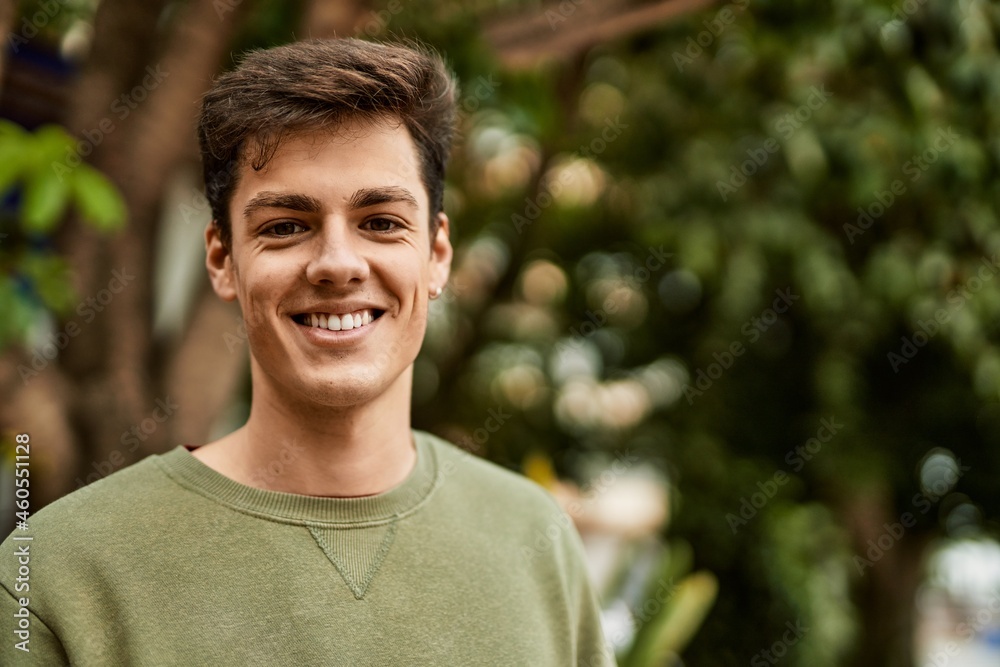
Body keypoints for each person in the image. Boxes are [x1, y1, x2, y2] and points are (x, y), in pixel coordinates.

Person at [0, 38, 615, 666]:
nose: (338, 264)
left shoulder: (535, 539)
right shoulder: (54, 574)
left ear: (436, 254)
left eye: (381, 221)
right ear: (223, 259)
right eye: (286, 226)